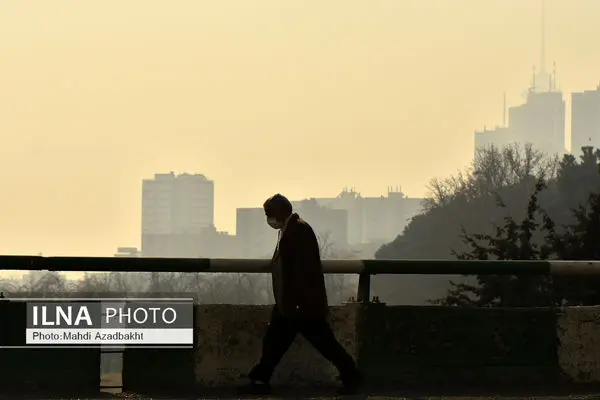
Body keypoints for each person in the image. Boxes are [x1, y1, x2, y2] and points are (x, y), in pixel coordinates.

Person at [238, 194, 363, 396]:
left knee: (321, 343)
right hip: (292, 303)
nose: (268, 219)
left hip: (300, 304)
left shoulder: (298, 231)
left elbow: (303, 270)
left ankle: (352, 376)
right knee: (275, 343)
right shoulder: (292, 229)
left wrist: (295, 303)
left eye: (269, 214)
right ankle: (260, 379)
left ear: (279, 213)